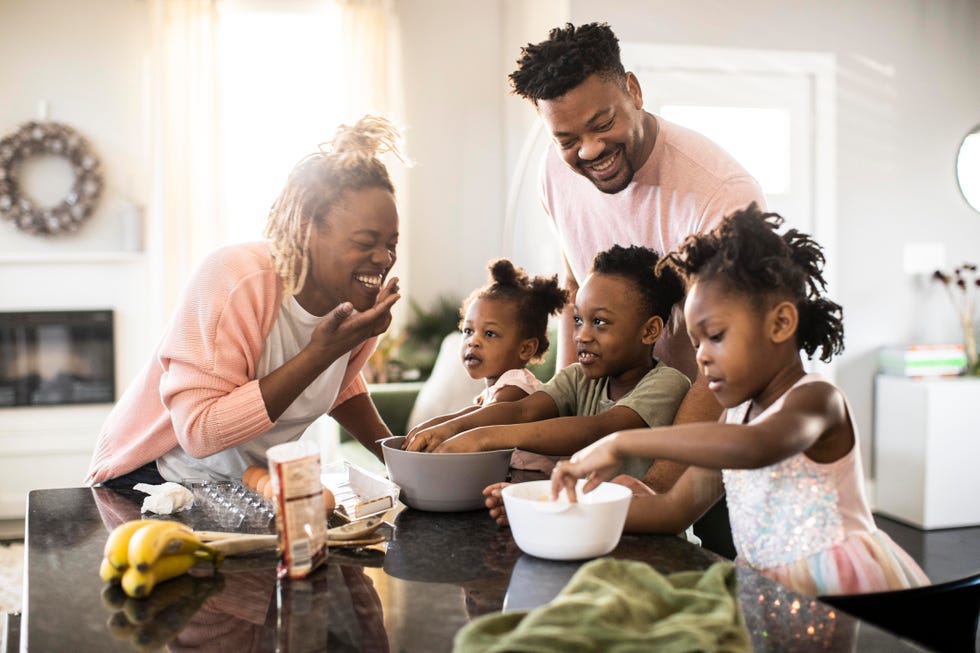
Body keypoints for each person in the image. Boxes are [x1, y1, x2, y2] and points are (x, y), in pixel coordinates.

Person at [550, 206, 930, 597]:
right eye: (696, 344)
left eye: (716, 336)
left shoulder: (817, 400)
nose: (701, 357)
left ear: (780, 323)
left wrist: (620, 441)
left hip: (839, 596)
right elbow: (674, 510)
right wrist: (558, 513)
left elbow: (756, 447)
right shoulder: (735, 419)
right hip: (766, 593)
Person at [510, 22, 767, 492]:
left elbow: (730, 352)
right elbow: (575, 293)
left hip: (718, 434)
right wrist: (570, 419)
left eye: (603, 123)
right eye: (567, 139)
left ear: (633, 90)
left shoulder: (721, 194)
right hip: (620, 436)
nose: (589, 150)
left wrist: (661, 487)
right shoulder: (555, 170)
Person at [85, 115, 406, 487]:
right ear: (306, 228)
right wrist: (322, 353)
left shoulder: (357, 306)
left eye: (391, 244)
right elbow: (199, 431)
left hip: (245, 486)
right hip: (152, 479)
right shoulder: (235, 278)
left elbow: (338, 386)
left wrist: (400, 459)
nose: (383, 258)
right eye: (366, 243)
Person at [404, 244, 691, 485]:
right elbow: (523, 411)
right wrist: (448, 426)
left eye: (599, 322)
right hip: (582, 521)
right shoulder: (578, 378)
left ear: (650, 331)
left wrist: (484, 438)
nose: (582, 335)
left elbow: (600, 429)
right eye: (578, 320)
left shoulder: (667, 383)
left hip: (643, 535)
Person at [407, 258, 568, 472]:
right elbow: (476, 413)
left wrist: (444, 427)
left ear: (525, 349)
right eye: (468, 331)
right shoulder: (496, 389)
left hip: (531, 480)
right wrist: (435, 424)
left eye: (489, 333)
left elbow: (490, 417)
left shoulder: (517, 386)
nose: (473, 340)